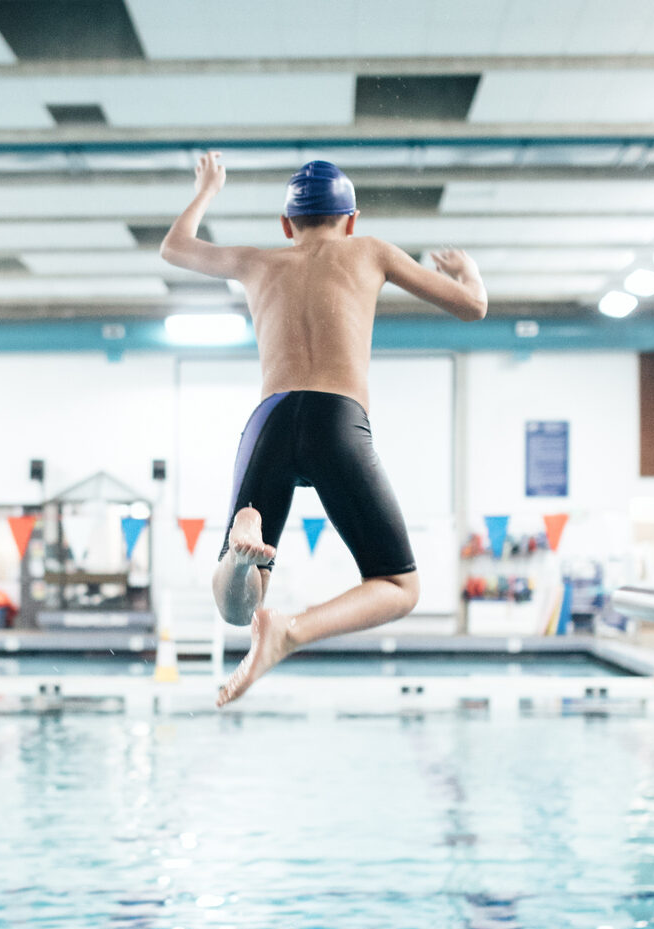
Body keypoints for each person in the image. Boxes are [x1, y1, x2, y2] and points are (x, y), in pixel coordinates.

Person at [160, 153, 488, 706]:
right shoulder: (372, 250)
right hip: (338, 421)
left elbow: (175, 247)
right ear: (351, 220)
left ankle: (244, 553)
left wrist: (209, 188)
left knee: (238, 609)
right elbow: (473, 307)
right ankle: (291, 630)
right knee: (398, 586)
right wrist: (467, 272)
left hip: (270, 419)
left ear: (286, 227)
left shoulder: (258, 262)